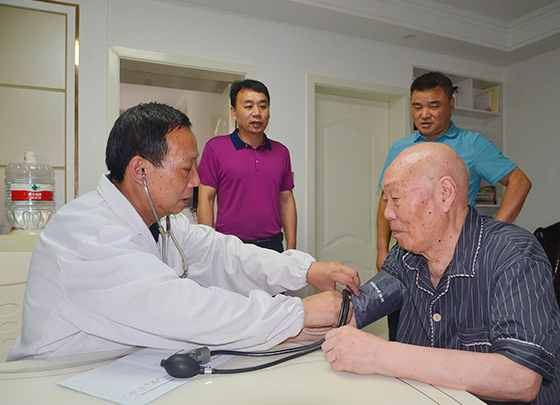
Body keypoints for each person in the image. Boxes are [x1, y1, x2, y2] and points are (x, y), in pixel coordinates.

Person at [8, 102, 360, 361]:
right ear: (140, 171)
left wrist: (304, 270)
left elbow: (223, 253)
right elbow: (182, 308)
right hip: (54, 380)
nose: (196, 180)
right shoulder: (87, 235)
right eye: (186, 169)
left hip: (124, 368)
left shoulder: (165, 221)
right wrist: (297, 313)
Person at [322, 143, 560, 404]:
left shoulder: (513, 254)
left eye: (396, 199)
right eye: (385, 201)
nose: (388, 213)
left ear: (445, 194)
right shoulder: (406, 256)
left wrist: (378, 355)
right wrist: (293, 311)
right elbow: (354, 308)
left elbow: (521, 378)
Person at [376, 71, 532, 341]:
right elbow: (385, 201)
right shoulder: (401, 148)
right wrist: (382, 249)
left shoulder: (473, 144)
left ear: (451, 104)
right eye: (417, 106)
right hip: (407, 253)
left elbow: (519, 182)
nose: (424, 114)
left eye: (433, 105)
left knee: (451, 330)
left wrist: (492, 233)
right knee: (402, 330)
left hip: (455, 255)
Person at [197, 79, 296, 252]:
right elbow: (206, 199)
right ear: (233, 112)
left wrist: (292, 248)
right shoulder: (215, 148)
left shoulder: (281, 152)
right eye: (249, 106)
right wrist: (208, 248)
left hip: (272, 247)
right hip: (229, 247)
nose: (257, 113)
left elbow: (286, 200)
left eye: (263, 106)